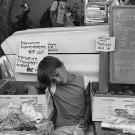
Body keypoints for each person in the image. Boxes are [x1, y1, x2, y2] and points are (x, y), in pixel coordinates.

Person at [28, 56, 91, 135]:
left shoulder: (84, 81)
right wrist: (31, 89)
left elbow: (88, 103)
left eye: (57, 74)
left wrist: (86, 120)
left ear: (62, 65)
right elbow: (29, 85)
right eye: (53, 80)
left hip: (81, 127)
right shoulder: (53, 85)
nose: (58, 80)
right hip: (62, 128)